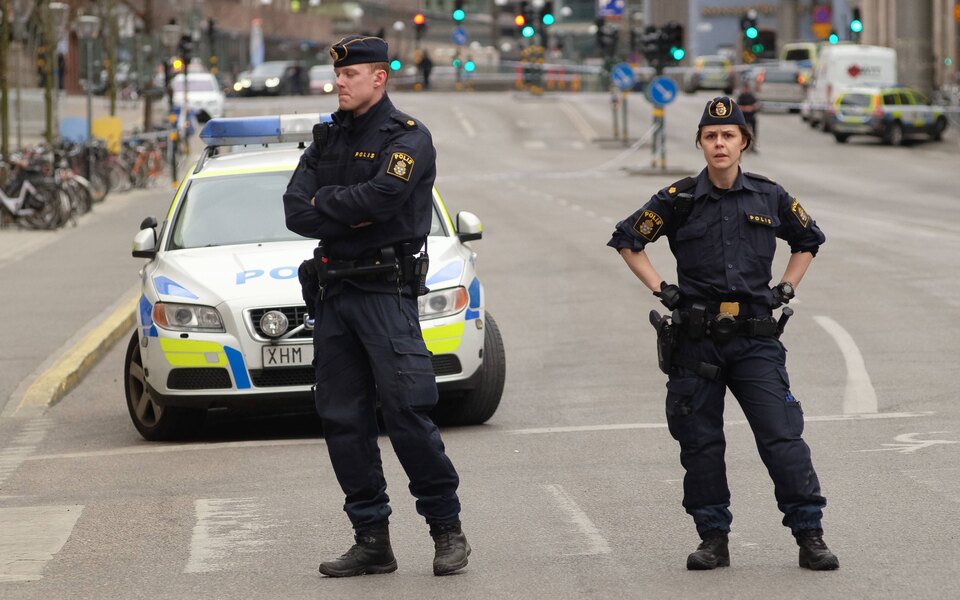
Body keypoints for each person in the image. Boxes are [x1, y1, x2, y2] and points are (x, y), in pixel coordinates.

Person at [606, 96, 838, 572]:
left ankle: (809, 534)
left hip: (756, 339)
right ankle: (713, 537)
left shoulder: (769, 196)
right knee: (701, 443)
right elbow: (627, 239)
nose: (719, 144)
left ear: (743, 142)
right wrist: (662, 290)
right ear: (700, 143)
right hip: (696, 342)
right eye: (711, 137)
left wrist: (786, 288)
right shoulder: (679, 199)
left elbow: (808, 240)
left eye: (728, 135)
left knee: (782, 437)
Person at [283, 35, 470, 578]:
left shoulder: (408, 138)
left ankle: (446, 530)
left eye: (350, 74)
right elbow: (295, 211)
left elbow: (385, 200)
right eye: (337, 74)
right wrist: (348, 212)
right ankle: (371, 539)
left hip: (385, 293)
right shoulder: (326, 139)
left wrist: (330, 205)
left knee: (408, 414)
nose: (339, 81)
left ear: (379, 78)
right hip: (335, 293)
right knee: (342, 419)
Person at [737, 80, 760, 152]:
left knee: (754, 131)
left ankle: (753, 146)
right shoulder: (741, 96)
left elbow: (757, 105)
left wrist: (752, 108)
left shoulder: (751, 96)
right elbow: (737, 106)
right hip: (743, 117)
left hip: (751, 116)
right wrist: (746, 108)